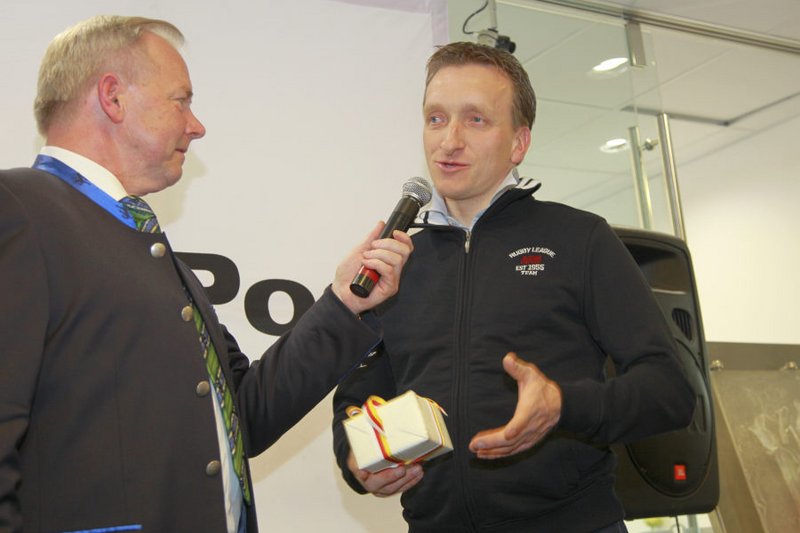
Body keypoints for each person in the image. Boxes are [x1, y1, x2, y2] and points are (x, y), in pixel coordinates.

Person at [0, 15, 413, 533]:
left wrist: (345, 302)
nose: (196, 126)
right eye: (181, 101)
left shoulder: (149, 249)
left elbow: (243, 414)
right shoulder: (17, 208)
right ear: (113, 97)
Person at [332, 41, 696, 532]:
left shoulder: (580, 239)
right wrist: (355, 459)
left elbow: (669, 390)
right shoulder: (399, 261)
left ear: (519, 143)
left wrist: (562, 405)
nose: (449, 141)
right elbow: (359, 392)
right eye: (436, 118)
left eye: (476, 120)